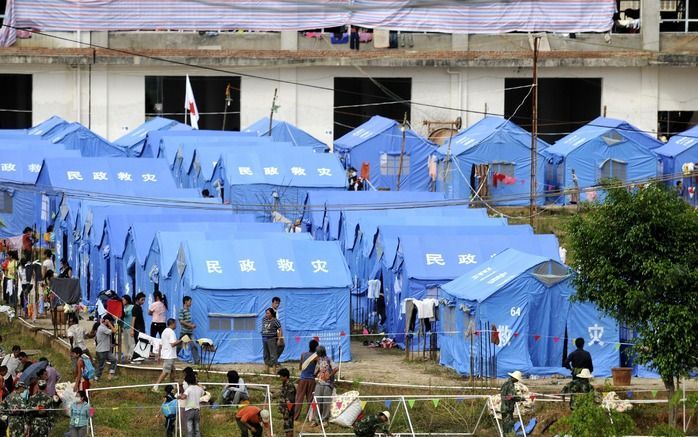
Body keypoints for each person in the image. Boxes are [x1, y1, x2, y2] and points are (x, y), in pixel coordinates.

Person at [153, 318, 182, 392]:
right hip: (169, 355)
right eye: (175, 324)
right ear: (172, 324)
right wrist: (181, 340)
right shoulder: (171, 332)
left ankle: (173, 386)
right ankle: (156, 386)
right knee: (165, 371)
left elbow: (161, 344)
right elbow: (173, 344)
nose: (176, 325)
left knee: (173, 370)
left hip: (166, 354)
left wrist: (159, 355)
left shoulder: (164, 331)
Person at [312, 345, 338, 426]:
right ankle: (315, 420)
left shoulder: (329, 359)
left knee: (326, 402)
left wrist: (329, 376)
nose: (317, 353)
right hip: (319, 383)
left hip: (328, 384)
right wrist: (315, 374)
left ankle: (324, 420)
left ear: (321, 352)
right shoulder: (319, 360)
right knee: (317, 401)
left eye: (318, 352)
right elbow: (316, 371)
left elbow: (336, 368)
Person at [294, 339, 318, 421]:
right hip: (311, 380)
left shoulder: (303, 354)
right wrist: (315, 373)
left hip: (303, 379)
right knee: (310, 399)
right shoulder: (316, 356)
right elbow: (319, 367)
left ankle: (295, 417)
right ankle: (309, 417)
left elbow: (300, 367)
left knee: (299, 398)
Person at [178, 372, 204, 437]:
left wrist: (179, 396)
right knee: (197, 427)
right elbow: (203, 392)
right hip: (197, 410)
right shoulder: (199, 389)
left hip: (189, 410)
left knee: (189, 428)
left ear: (187, 382)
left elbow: (184, 397)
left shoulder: (188, 389)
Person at [500, 370, 525, 435]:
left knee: (505, 427)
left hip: (504, 408)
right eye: (517, 379)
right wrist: (521, 398)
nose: (517, 381)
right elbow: (511, 397)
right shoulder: (510, 386)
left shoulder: (505, 384)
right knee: (509, 427)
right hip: (507, 409)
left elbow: (505, 396)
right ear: (514, 378)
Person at [95, 315, 118, 381]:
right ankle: (96, 378)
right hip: (101, 350)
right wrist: (109, 323)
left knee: (114, 360)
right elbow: (114, 331)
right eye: (111, 322)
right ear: (107, 321)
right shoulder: (102, 328)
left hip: (106, 350)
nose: (111, 323)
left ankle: (110, 375)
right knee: (101, 366)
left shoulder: (103, 327)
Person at [177, 296, 200, 365]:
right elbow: (181, 321)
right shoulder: (181, 310)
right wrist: (191, 325)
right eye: (190, 301)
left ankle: (197, 361)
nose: (191, 303)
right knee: (179, 346)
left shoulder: (188, 310)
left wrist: (192, 325)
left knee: (193, 345)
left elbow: (186, 321)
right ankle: (174, 357)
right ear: (186, 302)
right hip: (184, 333)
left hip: (189, 333)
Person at [261, 308, 282, 373]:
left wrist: (279, 339)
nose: (266, 314)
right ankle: (267, 371)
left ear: (272, 314)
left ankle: (274, 371)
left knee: (273, 355)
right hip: (264, 338)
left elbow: (279, 330)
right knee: (265, 354)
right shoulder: (264, 319)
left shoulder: (275, 321)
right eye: (266, 313)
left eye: (268, 313)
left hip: (272, 339)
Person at [277, 368, 296, 437]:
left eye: (281, 376)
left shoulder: (290, 386)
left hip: (288, 411)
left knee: (288, 428)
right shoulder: (284, 384)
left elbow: (290, 400)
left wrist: (287, 412)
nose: (280, 378)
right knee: (288, 428)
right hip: (285, 410)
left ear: (285, 376)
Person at [131, 292, 146, 359]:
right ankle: (134, 357)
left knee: (141, 342)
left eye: (144, 300)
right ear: (137, 300)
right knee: (138, 343)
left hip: (141, 328)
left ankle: (138, 356)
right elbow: (133, 319)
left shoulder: (139, 307)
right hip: (137, 329)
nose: (143, 301)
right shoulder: (135, 308)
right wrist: (132, 330)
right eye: (142, 300)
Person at [120, 295, 135, 360]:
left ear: (127, 300)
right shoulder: (123, 308)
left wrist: (132, 328)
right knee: (126, 342)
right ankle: (127, 354)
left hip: (130, 326)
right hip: (124, 327)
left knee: (131, 342)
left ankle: (131, 355)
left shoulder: (132, 307)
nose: (122, 301)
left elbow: (127, 315)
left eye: (123, 300)